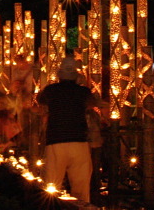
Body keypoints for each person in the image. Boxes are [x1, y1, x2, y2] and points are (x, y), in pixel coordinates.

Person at [35, 56, 104, 203]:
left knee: (52, 183)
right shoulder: (83, 92)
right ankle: (81, 205)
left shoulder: (51, 90)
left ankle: (51, 206)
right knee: (81, 183)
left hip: (55, 139)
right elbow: (94, 103)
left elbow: (39, 100)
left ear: (59, 75)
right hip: (79, 140)